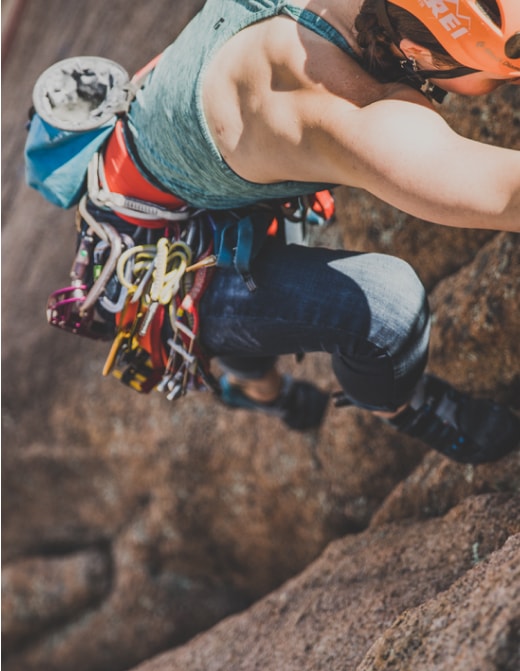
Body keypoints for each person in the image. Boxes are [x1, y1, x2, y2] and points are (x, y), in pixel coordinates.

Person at [85, 0, 520, 463]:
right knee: (391, 310)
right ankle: (371, 401)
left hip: (174, 149)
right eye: (501, 74)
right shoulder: (344, 113)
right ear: (421, 54)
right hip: (153, 247)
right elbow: (502, 193)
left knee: (262, 242)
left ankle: (250, 375)